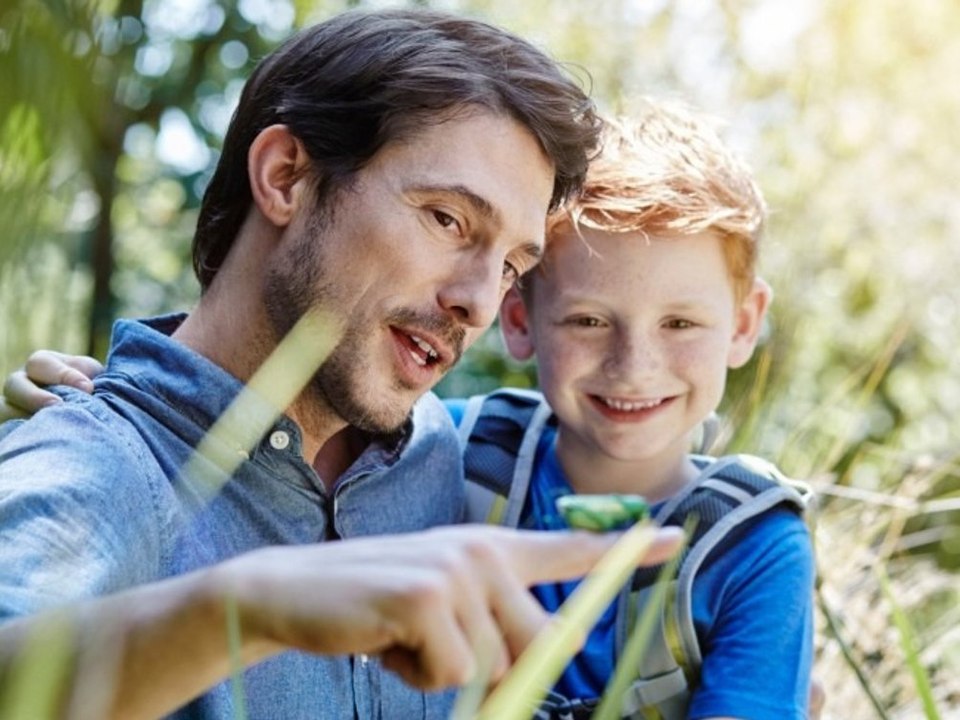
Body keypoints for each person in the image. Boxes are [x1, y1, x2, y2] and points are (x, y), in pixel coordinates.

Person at [0, 8, 684, 719]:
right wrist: (249, 608)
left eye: (512, 266)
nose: (479, 303)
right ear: (286, 176)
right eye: (448, 219)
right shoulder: (95, 463)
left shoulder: (436, 456)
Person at [449, 102, 815, 718]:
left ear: (743, 324)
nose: (634, 366)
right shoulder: (455, 452)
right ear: (519, 319)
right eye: (588, 320)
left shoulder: (754, 548)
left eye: (680, 322)